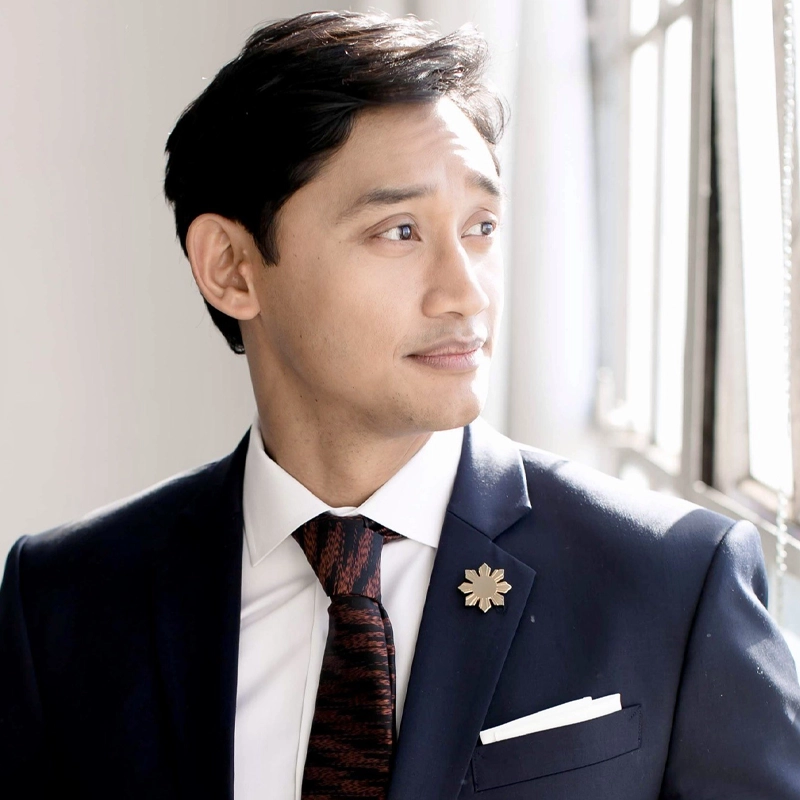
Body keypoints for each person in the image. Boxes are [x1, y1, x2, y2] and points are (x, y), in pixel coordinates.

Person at [1, 9, 798, 800]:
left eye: (481, 226)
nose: (467, 292)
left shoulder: (672, 580)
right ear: (232, 268)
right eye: (400, 231)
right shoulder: (66, 601)